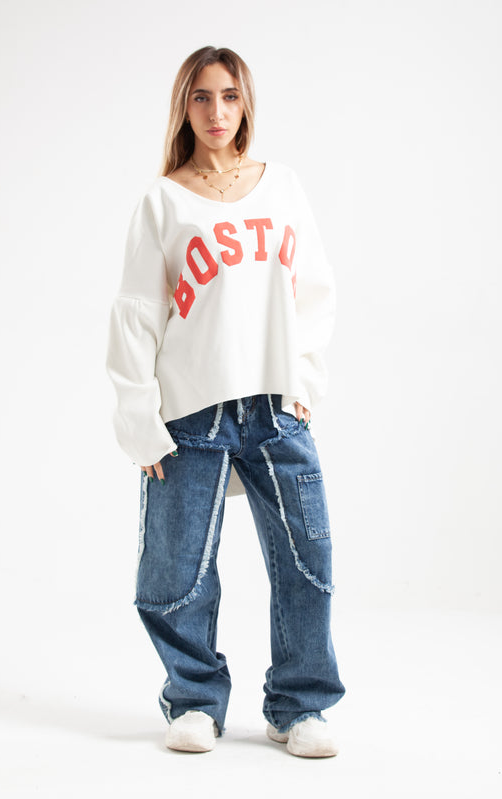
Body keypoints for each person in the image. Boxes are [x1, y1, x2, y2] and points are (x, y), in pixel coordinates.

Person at [106, 45, 345, 757]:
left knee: (307, 562)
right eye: (202, 97)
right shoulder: (163, 200)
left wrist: (304, 382)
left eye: (230, 96)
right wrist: (140, 422)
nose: (217, 111)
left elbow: (314, 290)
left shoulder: (282, 186)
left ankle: (299, 706)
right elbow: (135, 314)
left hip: (275, 407)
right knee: (173, 572)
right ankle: (193, 699)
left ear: (246, 104)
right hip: (191, 412)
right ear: (184, 107)